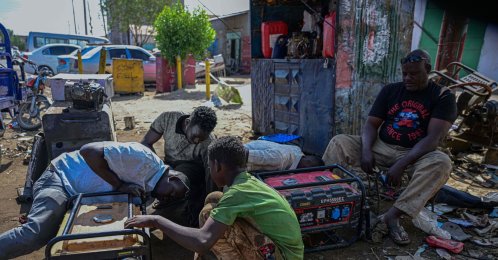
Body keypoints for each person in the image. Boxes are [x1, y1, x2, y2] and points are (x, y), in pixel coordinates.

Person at [322, 49, 457, 245]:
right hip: (382, 147)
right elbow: (371, 124)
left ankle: (392, 216)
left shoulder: (443, 96)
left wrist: (402, 163)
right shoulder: (391, 90)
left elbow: (433, 139)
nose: (408, 78)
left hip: (416, 153)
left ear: (427, 69)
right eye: (404, 73)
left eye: (414, 73)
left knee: (442, 163)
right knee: (339, 142)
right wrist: (367, 150)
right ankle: (329, 199)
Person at [0, 141, 188, 259]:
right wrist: (119, 185)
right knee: (35, 235)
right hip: (61, 180)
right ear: (173, 178)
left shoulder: (149, 187)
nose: (166, 197)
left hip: (80, 197)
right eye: (171, 192)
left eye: (169, 199)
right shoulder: (143, 157)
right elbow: (89, 151)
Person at [126, 136, 304, 259]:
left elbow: (202, 241)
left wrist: (156, 220)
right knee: (214, 200)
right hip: (289, 252)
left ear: (217, 166)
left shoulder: (237, 193)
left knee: (210, 221)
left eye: (209, 166)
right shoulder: (249, 182)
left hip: (283, 256)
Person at [141, 106, 217, 226]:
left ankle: (181, 208)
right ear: (187, 123)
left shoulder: (208, 142)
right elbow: (146, 143)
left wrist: (206, 203)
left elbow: (210, 175)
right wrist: (161, 168)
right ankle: (165, 200)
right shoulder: (168, 118)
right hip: (167, 164)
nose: (197, 141)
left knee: (173, 183)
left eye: (201, 139)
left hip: (190, 169)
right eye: (194, 136)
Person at [245, 140, 324, 172]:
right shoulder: (279, 159)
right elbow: (243, 154)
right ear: (308, 163)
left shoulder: (297, 150)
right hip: (239, 157)